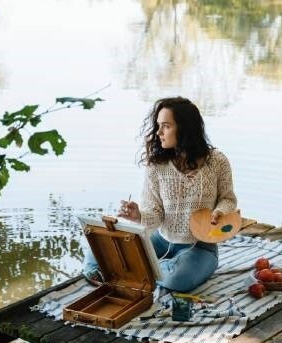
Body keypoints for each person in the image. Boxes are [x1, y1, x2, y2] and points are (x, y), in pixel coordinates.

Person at [82, 96, 237, 293]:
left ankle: (133, 269)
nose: (159, 132)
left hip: (200, 246)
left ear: (185, 128)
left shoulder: (217, 161)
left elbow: (228, 199)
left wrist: (220, 212)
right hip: (161, 240)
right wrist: (138, 215)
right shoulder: (156, 166)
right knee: (99, 250)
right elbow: (154, 216)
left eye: (166, 126)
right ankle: (141, 268)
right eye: (158, 125)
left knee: (177, 280)